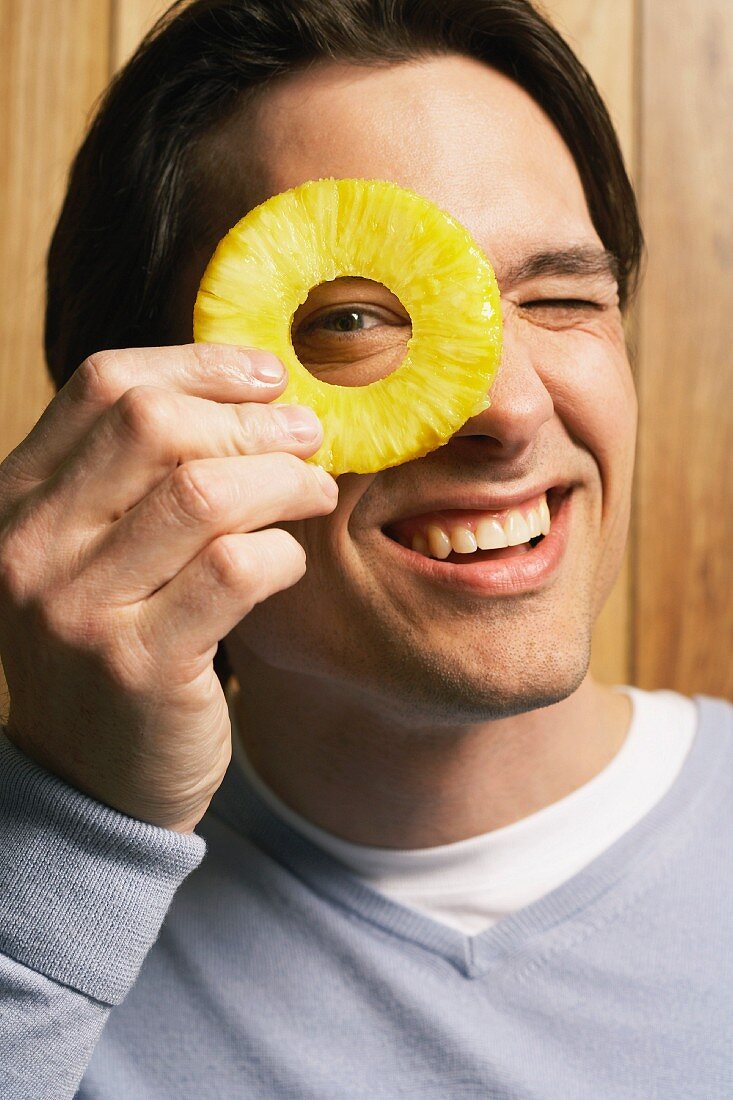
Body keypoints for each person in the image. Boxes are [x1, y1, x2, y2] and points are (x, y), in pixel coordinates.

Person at [0, 0, 730, 1097]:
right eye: (352, 319)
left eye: (562, 296)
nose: (511, 408)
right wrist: (73, 834)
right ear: (143, 419)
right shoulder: (42, 926)